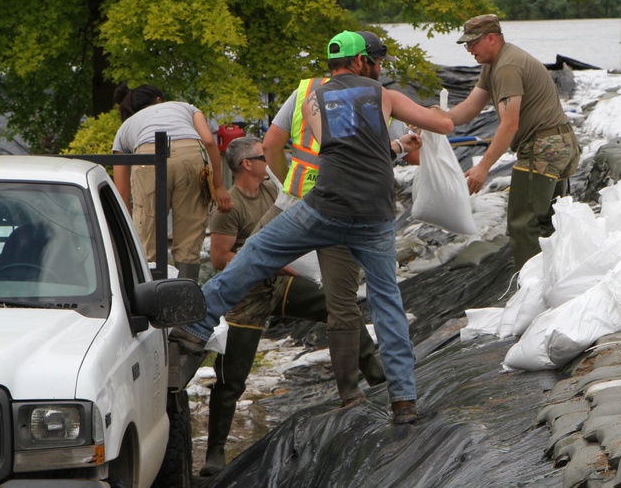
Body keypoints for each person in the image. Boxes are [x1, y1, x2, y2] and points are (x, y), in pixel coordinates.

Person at [173, 30, 453, 425]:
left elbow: (337, 146)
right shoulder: (385, 97)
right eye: (374, 61)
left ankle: (197, 323)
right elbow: (443, 127)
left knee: (255, 254)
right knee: (386, 301)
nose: (376, 68)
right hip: (374, 216)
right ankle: (403, 400)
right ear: (360, 62)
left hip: (324, 208)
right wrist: (427, 122)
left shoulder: (312, 99)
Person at [200, 135, 385, 476]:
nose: (268, 161)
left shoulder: (273, 192)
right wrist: (265, 260)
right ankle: (215, 451)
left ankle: (378, 376)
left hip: (281, 283)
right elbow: (219, 258)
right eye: (262, 157)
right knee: (233, 379)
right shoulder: (229, 207)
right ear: (247, 165)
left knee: (339, 305)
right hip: (248, 295)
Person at [258, 30, 417, 416]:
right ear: (363, 61)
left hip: (297, 203)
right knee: (343, 303)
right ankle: (353, 394)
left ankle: (202, 329)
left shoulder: (305, 92)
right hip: (345, 208)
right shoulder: (376, 96)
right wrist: (408, 144)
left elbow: (270, 146)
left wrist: (288, 183)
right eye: (376, 61)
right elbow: (400, 158)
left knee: (246, 260)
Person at [447, 14, 581, 268]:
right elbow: (468, 109)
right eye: (466, 44)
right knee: (547, 221)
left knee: (523, 223)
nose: (469, 49)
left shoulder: (508, 67)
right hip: (560, 145)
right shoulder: (493, 65)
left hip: (544, 149)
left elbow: (510, 124)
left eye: (472, 43)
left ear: (491, 38)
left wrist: (482, 168)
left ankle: (531, 291)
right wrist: (431, 119)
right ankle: (557, 279)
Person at [112, 84, 232, 282]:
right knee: (190, 237)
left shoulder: (127, 126)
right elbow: (209, 142)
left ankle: (150, 295)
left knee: (147, 239)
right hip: (191, 153)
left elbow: (122, 193)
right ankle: (185, 300)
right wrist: (218, 186)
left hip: (148, 156)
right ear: (159, 99)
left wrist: (128, 228)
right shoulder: (185, 107)